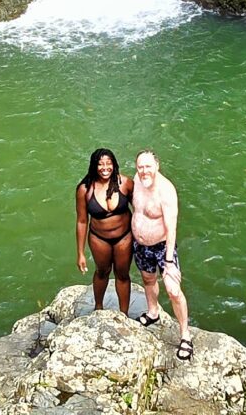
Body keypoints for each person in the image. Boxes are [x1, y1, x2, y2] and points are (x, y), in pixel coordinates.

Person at [131, 149, 193, 360]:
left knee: (174, 289)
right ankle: (153, 312)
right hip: (140, 245)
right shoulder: (137, 182)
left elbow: (171, 228)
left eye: (148, 166)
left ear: (157, 166)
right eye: (140, 167)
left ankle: (185, 335)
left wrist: (169, 261)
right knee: (148, 279)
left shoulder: (166, 191)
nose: (144, 171)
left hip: (161, 247)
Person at [75, 147, 134, 315]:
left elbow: (140, 209)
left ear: (114, 165)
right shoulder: (84, 190)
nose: (105, 168)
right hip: (99, 238)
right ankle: (98, 308)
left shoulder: (125, 183)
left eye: (109, 163)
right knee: (102, 272)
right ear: (94, 166)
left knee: (122, 274)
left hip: (125, 237)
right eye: (100, 164)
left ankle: (124, 314)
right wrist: (80, 253)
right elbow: (81, 221)